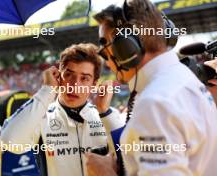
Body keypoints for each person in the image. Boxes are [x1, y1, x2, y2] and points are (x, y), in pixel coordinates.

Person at [85, 0, 217, 175]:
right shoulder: (184, 79)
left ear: (126, 47)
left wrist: (106, 172)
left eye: (104, 49)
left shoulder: (154, 104)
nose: (106, 60)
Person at [0, 43, 120, 176]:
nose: (75, 85)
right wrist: (47, 90)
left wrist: (104, 111)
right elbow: (9, 142)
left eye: (84, 78)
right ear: (58, 77)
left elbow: (129, 157)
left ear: (94, 84)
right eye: (69, 75)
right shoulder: (41, 118)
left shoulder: (107, 116)